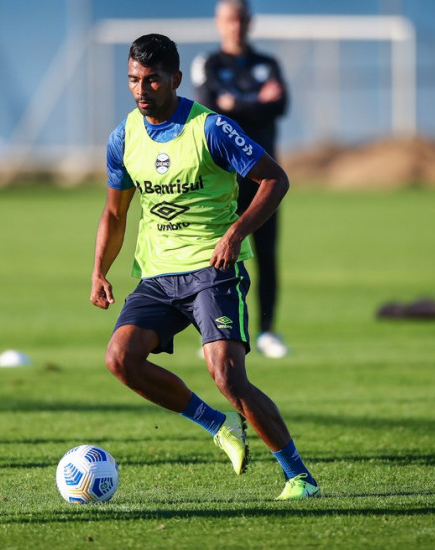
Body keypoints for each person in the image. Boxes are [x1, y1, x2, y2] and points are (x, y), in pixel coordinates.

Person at [90, 33, 319, 499]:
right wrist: (99, 270)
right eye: (133, 80)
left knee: (228, 376)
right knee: (120, 359)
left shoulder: (211, 127)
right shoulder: (124, 136)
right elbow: (115, 213)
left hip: (212, 271)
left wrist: (235, 233)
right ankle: (217, 425)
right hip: (157, 276)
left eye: (152, 80)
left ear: (175, 78)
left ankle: (299, 477)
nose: (141, 89)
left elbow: (275, 179)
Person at [191, 0, 290, 359]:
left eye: (242, 18)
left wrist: (237, 103)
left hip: (264, 176)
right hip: (223, 177)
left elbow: (281, 105)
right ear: (220, 23)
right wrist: (254, 101)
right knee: (218, 255)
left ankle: (267, 331)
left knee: (266, 252)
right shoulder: (209, 63)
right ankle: (215, 335)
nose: (237, 25)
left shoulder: (268, 63)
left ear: (251, 22)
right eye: (230, 19)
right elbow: (210, 106)